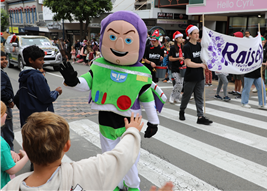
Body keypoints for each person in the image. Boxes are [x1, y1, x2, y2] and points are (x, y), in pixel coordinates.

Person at [59, 11, 166, 191]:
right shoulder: (99, 65)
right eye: (113, 37)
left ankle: (132, 186)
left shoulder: (141, 73)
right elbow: (87, 83)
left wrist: (154, 122)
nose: (119, 44)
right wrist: (73, 81)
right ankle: (115, 184)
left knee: (130, 157)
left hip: (130, 121)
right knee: (109, 156)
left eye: (128, 40)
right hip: (106, 121)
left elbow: (147, 98)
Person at [2, 111, 143, 191]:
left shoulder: (11, 187)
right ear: (67, 146)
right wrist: (132, 131)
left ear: (26, 149)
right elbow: (121, 156)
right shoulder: (86, 172)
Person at [17, 46, 62, 127]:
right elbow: (46, 97)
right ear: (30, 60)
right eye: (40, 59)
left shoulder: (24, 74)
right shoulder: (36, 76)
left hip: (27, 117)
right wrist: (56, 92)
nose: (43, 62)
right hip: (40, 117)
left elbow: (18, 97)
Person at [179, 25, 212, 125]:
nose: (197, 35)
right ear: (190, 35)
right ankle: (182, 110)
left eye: (198, 33)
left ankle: (200, 116)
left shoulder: (200, 45)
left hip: (200, 77)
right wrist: (200, 65)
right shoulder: (187, 47)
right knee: (186, 96)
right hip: (190, 76)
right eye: (195, 33)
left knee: (199, 97)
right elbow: (188, 63)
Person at [0, 101, 29, 189]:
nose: (6, 114)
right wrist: (26, 157)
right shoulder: (1, 144)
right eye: (4, 112)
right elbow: (12, 170)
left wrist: (9, 153)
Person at [0, 51, 15, 151]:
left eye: (5, 59)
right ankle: (10, 154)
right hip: (3, 107)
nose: (5, 61)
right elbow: (0, 90)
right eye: (1, 59)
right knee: (7, 131)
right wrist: (9, 100)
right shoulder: (1, 74)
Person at [169, 31, 184, 103]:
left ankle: (177, 97)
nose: (181, 39)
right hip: (175, 68)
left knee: (181, 84)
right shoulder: (172, 48)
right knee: (178, 82)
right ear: (176, 39)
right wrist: (179, 58)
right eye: (180, 38)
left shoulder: (183, 47)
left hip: (182, 68)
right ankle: (172, 96)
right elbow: (170, 58)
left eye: (182, 38)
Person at [228, 32, 243, 98]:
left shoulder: (241, 44)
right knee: (236, 78)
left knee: (239, 78)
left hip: (239, 63)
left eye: (235, 36)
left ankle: (239, 91)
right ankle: (235, 89)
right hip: (235, 62)